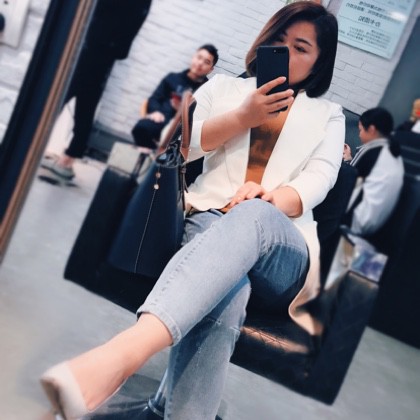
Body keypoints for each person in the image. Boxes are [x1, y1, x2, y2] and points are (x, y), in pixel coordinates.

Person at [40, 3, 344, 419]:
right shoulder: (223, 89)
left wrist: (271, 198)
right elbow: (182, 147)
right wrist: (243, 116)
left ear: (319, 62)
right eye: (278, 40)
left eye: (300, 47)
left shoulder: (328, 115)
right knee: (229, 292)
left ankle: (122, 355)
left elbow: (321, 179)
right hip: (209, 220)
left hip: (281, 244)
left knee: (253, 213)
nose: (284, 51)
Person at [41, 0, 153, 181]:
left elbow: (122, 16)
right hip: (99, 46)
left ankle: (48, 151)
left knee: (66, 97)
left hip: (96, 45)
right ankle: (65, 157)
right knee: (79, 101)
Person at [131, 44, 219, 149]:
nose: (200, 63)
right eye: (199, 57)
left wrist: (183, 111)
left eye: (206, 62)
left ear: (211, 69)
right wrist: (155, 112)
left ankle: (156, 154)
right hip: (162, 119)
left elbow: (204, 118)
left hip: (184, 131)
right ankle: (152, 153)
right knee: (140, 129)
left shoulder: (208, 91)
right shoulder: (173, 78)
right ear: (193, 57)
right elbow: (155, 98)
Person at [344, 107, 404, 235]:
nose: (359, 135)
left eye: (360, 130)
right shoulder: (393, 153)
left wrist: (346, 162)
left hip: (355, 221)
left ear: (371, 129)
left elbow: (347, 181)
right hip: (373, 224)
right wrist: (350, 159)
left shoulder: (372, 150)